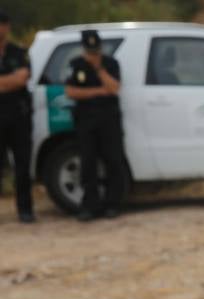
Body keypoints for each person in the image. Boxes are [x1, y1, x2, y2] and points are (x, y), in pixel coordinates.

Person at [63, 29, 126, 220]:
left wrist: (99, 69)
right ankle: (90, 206)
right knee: (88, 162)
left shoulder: (110, 64)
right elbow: (71, 92)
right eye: (90, 50)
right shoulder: (76, 65)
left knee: (113, 160)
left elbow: (114, 89)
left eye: (96, 49)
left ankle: (112, 204)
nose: (93, 54)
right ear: (84, 48)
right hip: (85, 120)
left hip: (109, 119)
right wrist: (98, 91)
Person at [0, 9, 34, 223]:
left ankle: (25, 210)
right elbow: (15, 80)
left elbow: (22, 79)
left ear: (7, 27)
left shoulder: (18, 52)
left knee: (22, 165)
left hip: (19, 118)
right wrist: (8, 82)